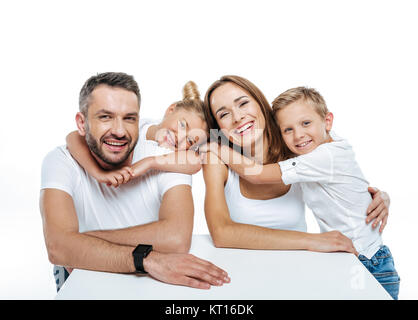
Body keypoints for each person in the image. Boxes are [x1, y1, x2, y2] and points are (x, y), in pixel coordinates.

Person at [202, 85, 399, 299]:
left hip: (356, 261)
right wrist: (310, 240)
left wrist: (380, 195)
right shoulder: (298, 147)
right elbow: (221, 234)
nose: (238, 117)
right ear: (218, 126)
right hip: (245, 277)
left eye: (243, 103)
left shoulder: (300, 152)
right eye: (223, 113)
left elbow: (258, 173)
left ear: (261, 106)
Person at [40, 72, 229, 292]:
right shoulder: (61, 160)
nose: (119, 130)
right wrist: (97, 174)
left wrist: (82, 244)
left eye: (129, 118)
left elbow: (176, 239)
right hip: (83, 278)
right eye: (105, 117)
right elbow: (59, 249)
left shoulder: (170, 156)